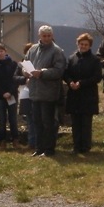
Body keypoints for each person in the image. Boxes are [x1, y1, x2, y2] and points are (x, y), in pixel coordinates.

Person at [26, 25, 66, 157]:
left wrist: (42, 73)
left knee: (48, 122)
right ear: (39, 36)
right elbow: (24, 63)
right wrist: (26, 72)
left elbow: (59, 70)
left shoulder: (57, 51)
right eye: (44, 36)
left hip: (49, 93)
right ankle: (39, 148)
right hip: (35, 92)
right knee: (37, 122)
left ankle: (49, 149)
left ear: (52, 36)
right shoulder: (32, 49)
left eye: (49, 36)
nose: (47, 38)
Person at [64, 33, 103, 154]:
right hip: (74, 95)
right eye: (81, 44)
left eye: (86, 44)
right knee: (75, 123)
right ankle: (76, 146)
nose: (83, 46)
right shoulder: (71, 58)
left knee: (86, 123)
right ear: (78, 44)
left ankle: (85, 147)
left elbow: (97, 77)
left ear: (90, 46)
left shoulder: (95, 60)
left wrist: (81, 83)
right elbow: (66, 74)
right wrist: (70, 82)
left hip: (88, 95)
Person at [0, 43, 21, 150]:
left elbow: (15, 80)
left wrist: (10, 92)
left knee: (13, 119)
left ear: (5, 51)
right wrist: (2, 93)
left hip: (12, 95)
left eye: (1, 51)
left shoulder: (13, 64)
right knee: (2, 120)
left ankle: (15, 140)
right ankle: (2, 141)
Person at [17, 43, 36, 153]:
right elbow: (15, 77)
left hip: (38, 94)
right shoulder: (21, 64)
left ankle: (39, 143)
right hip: (25, 94)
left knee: (37, 120)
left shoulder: (39, 62)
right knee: (29, 120)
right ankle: (31, 143)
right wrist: (24, 79)